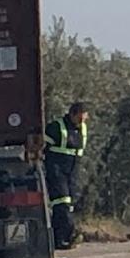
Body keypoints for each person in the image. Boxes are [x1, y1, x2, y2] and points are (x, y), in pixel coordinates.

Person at [45, 102, 88, 250]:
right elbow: (43, 147)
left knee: (68, 204)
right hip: (57, 169)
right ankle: (67, 234)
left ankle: (60, 239)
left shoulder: (82, 129)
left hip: (73, 171)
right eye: (80, 118)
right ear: (72, 114)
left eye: (84, 118)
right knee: (62, 203)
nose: (82, 122)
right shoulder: (56, 127)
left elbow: (79, 153)